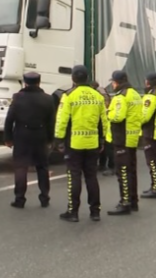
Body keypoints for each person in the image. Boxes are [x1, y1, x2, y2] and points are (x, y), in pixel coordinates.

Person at [54, 65, 108, 222]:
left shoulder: (69, 95)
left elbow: (62, 120)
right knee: (92, 177)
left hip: (74, 143)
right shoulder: (97, 96)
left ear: (73, 78)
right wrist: (102, 139)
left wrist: (58, 139)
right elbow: (103, 121)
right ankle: (95, 211)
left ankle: (73, 212)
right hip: (92, 143)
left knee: (74, 176)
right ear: (87, 77)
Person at [4, 71, 56, 209]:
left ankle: (19, 199)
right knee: (42, 167)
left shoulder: (17, 98)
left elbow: (10, 119)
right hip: (41, 136)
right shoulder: (48, 99)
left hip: (22, 136)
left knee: (21, 167)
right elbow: (51, 122)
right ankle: (44, 197)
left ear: (25, 83)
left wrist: (8, 138)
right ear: (39, 82)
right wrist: (50, 139)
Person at [106, 70, 143, 215]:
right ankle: (133, 201)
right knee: (131, 171)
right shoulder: (134, 94)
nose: (112, 84)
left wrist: (108, 112)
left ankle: (125, 202)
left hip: (122, 139)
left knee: (122, 172)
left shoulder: (120, 97)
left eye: (113, 81)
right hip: (133, 138)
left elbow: (118, 116)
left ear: (117, 82)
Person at [93, 80, 114, 175]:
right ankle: (103, 165)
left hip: (105, 120)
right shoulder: (103, 91)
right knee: (106, 146)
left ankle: (109, 166)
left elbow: (104, 106)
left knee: (106, 146)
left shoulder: (98, 93)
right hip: (106, 120)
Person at [140, 73, 156, 198]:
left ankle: (155, 188)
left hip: (151, 134)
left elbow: (144, 117)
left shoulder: (150, 96)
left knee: (152, 162)